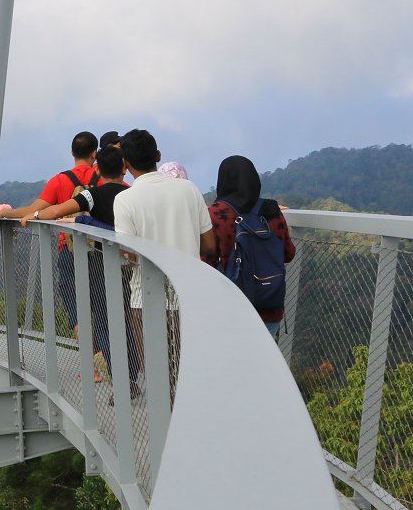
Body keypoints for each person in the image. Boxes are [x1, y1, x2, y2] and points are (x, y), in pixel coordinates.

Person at [113, 130, 215, 400]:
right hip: (188, 295)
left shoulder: (125, 200)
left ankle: (165, 429)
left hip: (146, 296)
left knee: (157, 371)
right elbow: (210, 246)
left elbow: (129, 254)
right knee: (189, 369)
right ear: (158, 156)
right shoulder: (189, 190)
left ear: (125, 163)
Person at [26, 145, 132, 381]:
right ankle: (129, 372)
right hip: (127, 262)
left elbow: (52, 211)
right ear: (125, 168)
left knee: (89, 311)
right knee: (117, 315)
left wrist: (30, 217)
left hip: (88, 256)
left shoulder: (84, 192)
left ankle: (102, 366)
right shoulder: (130, 192)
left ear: (99, 165)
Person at [0, 131, 100, 335]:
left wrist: (5, 212)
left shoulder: (60, 180)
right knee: (102, 305)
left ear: (72, 152)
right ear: (94, 154)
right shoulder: (102, 177)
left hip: (69, 249)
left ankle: (90, 361)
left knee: (76, 307)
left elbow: (33, 210)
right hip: (102, 249)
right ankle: (105, 357)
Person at [204, 155, 296, 337]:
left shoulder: (215, 213)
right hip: (269, 306)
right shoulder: (271, 210)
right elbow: (289, 253)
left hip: (229, 308)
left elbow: (206, 261)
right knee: (263, 363)